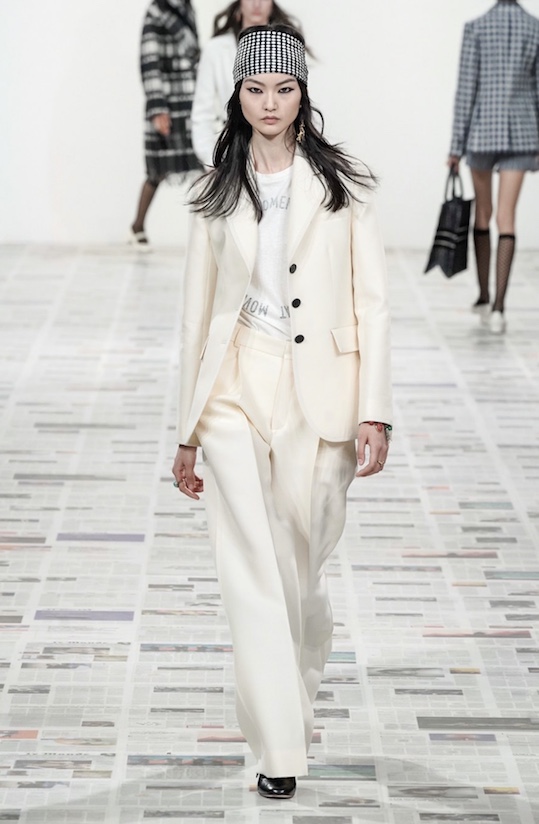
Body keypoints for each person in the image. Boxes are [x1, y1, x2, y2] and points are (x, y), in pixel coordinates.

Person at [172, 25, 392, 799]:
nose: (269, 103)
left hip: (318, 391)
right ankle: (277, 749)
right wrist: (185, 432)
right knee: (251, 569)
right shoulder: (213, 191)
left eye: (283, 88)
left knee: (299, 574)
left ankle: (289, 706)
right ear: (237, 95)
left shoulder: (343, 185)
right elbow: (193, 318)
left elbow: (372, 303)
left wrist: (375, 410)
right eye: (255, 88)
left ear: (302, 95)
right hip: (234, 384)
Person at [448, 0, 539, 334]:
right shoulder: (535, 28)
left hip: (483, 132)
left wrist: (456, 146)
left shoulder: (477, 28)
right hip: (523, 133)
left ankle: (484, 297)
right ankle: (500, 306)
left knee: (483, 215)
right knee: (507, 217)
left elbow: (466, 91)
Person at [191, 0, 303, 166]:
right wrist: (214, 162)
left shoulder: (286, 45)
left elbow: (301, 103)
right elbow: (202, 114)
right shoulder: (216, 50)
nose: (256, 4)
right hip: (229, 154)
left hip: (282, 156)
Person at [129, 0, 201, 251]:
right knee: (157, 170)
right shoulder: (156, 11)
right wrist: (157, 107)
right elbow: (149, 62)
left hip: (190, 99)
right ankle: (137, 226)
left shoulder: (187, 8)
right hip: (168, 102)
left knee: (205, 163)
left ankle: (211, 229)